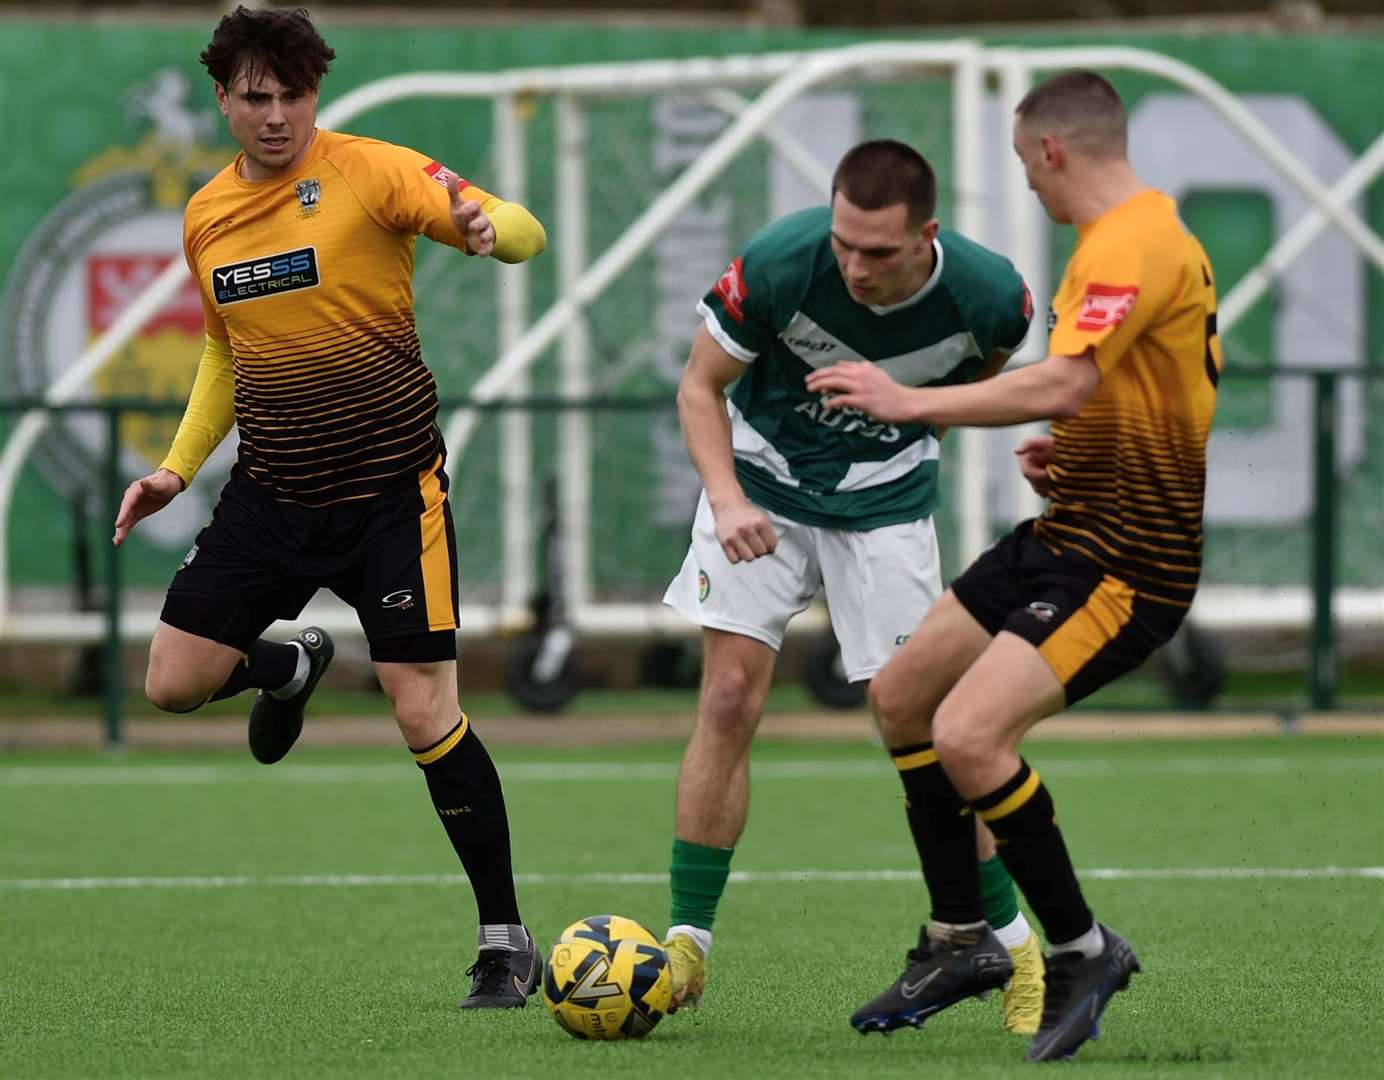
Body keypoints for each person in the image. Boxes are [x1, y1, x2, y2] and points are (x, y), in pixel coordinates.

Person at [110, 6, 548, 1011]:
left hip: (392, 494)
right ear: (222, 98)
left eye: (294, 96)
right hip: (271, 493)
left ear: (317, 94)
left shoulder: (373, 170)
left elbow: (520, 228)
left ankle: (503, 937)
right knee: (172, 684)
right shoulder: (207, 215)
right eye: (256, 98)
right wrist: (179, 469)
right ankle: (288, 660)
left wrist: (490, 228)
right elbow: (226, 350)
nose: (276, 116)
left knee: (421, 710)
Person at [808, 72, 1221, 1061]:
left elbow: (1070, 375)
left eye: (1021, 164)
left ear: (1048, 152)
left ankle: (1080, 948)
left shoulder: (1129, 239)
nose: (1027, 185)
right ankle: (962, 940)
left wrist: (907, 401)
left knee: (969, 736)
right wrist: (1072, 449)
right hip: (1068, 527)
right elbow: (1127, 388)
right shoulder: (1131, 239)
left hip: (1128, 560)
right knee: (904, 695)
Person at [660, 139, 1046, 1033]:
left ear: (927, 237)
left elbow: (980, 378)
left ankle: (1019, 950)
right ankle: (686, 943)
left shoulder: (991, 296)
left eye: (879, 251)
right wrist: (724, 500)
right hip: (758, 484)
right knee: (725, 698)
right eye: (845, 244)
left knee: (938, 730)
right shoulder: (780, 263)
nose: (857, 267)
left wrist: (913, 430)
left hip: (885, 506)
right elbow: (699, 387)